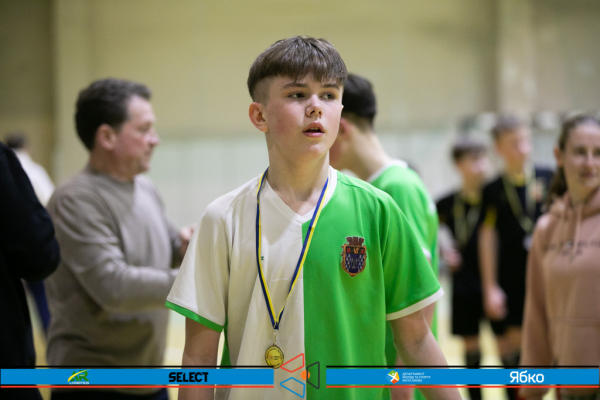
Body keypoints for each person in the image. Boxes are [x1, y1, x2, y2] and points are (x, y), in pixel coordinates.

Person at [167, 36, 460, 400]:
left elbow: (416, 340)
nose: (316, 107)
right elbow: (198, 358)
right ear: (259, 116)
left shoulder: (379, 211)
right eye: (297, 94)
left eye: (329, 95)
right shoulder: (222, 219)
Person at [45, 78, 191, 400]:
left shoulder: (144, 187)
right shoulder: (76, 199)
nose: (155, 139)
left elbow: (166, 246)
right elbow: (113, 287)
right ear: (107, 137)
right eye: (144, 129)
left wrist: (188, 245)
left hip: (149, 381)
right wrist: (196, 279)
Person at [328, 73, 440, 400]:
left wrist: (403, 380)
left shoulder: (396, 187)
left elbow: (419, 290)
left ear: (342, 128)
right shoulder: (381, 187)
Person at [520, 115, 600, 400]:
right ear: (559, 156)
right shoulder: (547, 229)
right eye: (580, 152)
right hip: (567, 388)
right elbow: (536, 315)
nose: (590, 163)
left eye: (598, 153)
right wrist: (532, 387)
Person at [478, 115, 553, 399]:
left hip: (548, 276)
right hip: (511, 278)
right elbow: (488, 239)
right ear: (498, 148)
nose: (523, 148)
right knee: (513, 349)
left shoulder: (549, 177)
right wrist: (490, 287)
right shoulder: (493, 189)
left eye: (525, 141)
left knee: (553, 345)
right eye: (514, 143)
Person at [0, 141, 60, 400]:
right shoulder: (28, 168)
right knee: (44, 308)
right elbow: (39, 249)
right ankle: (53, 356)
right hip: (6, 368)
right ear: (26, 147)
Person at [436, 139, 488, 400]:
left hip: (496, 280)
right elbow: (430, 231)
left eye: (483, 158)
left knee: (508, 344)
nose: (482, 166)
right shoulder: (445, 204)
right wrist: (444, 250)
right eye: (474, 159)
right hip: (464, 283)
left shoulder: (495, 198)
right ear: (459, 164)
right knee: (471, 346)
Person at [5, 131, 55, 335]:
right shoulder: (35, 171)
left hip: (6, 251)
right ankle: (48, 337)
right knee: (41, 295)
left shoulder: (6, 167)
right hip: (31, 244)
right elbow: (50, 202)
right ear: (26, 147)